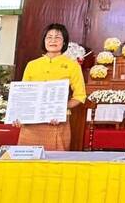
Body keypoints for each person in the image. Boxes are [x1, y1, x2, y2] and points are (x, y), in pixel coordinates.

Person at [16, 23, 86, 151]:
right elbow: (23, 94)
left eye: (58, 37)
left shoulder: (72, 65)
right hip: (31, 125)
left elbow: (80, 96)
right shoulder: (32, 65)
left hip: (57, 122)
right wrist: (19, 115)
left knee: (54, 165)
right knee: (26, 163)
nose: (53, 40)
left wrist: (60, 107)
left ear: (64, 42)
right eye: (49, 37)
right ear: (44, 41)